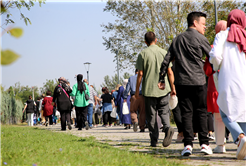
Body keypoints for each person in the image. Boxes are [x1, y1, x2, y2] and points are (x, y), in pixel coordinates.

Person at [159, 11, 212, 155]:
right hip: (199, 80)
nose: (205, 27)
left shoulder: (177, 39)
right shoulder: (201, 38)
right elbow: (212, 57)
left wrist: (161, 79)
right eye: (203, 24)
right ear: (195, 23)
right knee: (201, 112)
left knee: (186, 113)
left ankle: (187, 145)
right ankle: (204, 144)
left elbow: (166, 59)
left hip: (182, 82)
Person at [209, 9, 246, 160]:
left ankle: (240, 137)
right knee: (244, 113)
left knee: (225, 112)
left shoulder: (222, 35)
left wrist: (217, 66)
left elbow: (216, 56)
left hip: (228, 79)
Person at [135, 31, 175, 147]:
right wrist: (173, 88)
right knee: (164, 112)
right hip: (163, 89)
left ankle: (154, 140)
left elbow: (140, 74)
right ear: (156, 40)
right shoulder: (164, 52)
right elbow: (170, 72)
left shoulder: (142, 54)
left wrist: (137, 91)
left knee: (151, 116)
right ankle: (167, 128)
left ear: (145, 42)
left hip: (149, 90)